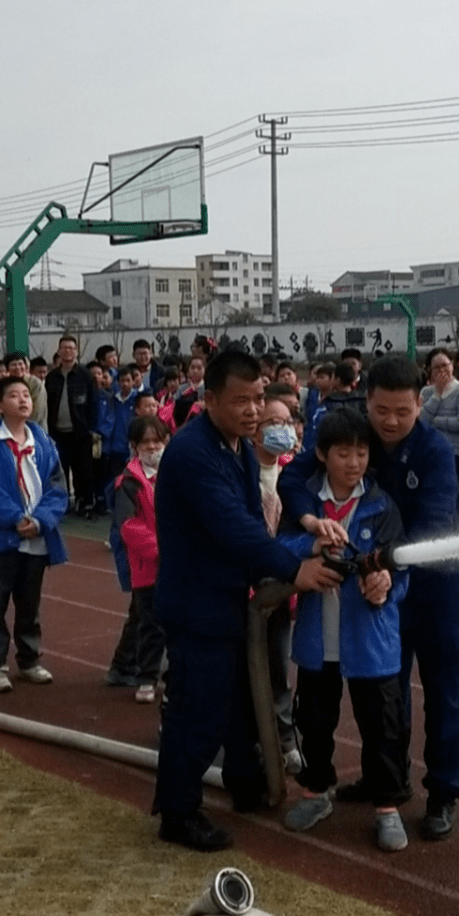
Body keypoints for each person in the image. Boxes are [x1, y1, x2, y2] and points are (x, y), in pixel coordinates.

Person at [152, 349, 342, 852]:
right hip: (197, 604)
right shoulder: (194, 451)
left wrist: (306, 541)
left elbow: (257, 524)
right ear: (209, 398)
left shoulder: (233, 445)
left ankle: (243, 783)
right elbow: (234, 529)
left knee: (239, 703)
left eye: (259, 398)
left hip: (227, 598)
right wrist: (293, 568)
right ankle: (178, 812)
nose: (253, 410)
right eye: (241, 401)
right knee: (198, 711)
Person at [280, 355, 459, 841]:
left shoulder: (434, 452)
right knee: (385, 697)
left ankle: (444, 792)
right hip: (372, 596)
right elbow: (292, 479)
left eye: (402, 412)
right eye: (381, 410)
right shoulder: (352, 437)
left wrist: (383, 566)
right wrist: (308, 523)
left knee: (443, 692)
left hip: (433, 589)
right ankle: (388, 782)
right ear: (367, 401)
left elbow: (435, 526)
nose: (390, 422)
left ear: (420, 404)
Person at [278, 408, 410, 850]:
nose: (353, 462)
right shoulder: (305, 506)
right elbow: (278, 549)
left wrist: (386, 583)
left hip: (372, 641)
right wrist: (310, 546)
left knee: (382, 727)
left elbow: (401, 564)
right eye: (343, 453)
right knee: (315, 723)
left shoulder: (381, 504)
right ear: (321, 454)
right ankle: (316, 793)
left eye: (361, 452)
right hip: (319, 641)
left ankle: (387, 806)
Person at [0, 376, 68, 693]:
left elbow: (57, 489)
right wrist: (15, 518)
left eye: (26, 394)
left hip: (36, 539)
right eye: (14, 395)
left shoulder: (44, 443)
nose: (23, 400)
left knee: (29, 604)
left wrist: (40, 521)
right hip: (1, 539)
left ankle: (29, 660)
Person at [253, 396, 302, 772]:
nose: (281, 430)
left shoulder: (295, 475)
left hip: (282, 588)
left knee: (277, 666)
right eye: (272, 422)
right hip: (244, 587)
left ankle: (284, 739)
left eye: (287, 422)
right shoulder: (238, 471)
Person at [113, 416, 169, 703]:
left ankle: (165, 674)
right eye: (145, 442)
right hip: (148, 567)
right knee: (150, 623)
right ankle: (146, 676)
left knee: (175, 621)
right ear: (134, 446)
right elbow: (128, 525)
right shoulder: (129, 483)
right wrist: (160, 550)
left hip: (178, 565)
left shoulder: (175, 475)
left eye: (157, 441)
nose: (152, 447)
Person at [45, 335, 97, 516]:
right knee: (60, 469)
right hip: (57, 432)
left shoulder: (85, 375)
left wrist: (91, 428)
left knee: (84, 470)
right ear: (58, 351)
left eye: (71, 348)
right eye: (64, 348)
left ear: (77, 351)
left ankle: (86, 503)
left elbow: (93, 403)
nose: (68, 351)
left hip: (81, 432)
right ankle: (62, 503)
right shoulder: (52, 377)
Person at [418, 348, 459, 502]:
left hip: (457, 452)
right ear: (430, 370)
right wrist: (437, 394)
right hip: (431, 452)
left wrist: (434, 421)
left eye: (445, 365)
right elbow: (421, 421)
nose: (442, 370)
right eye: (437, 367)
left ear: (452, 365)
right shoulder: (427, 392)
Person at [4, 350, 48, 432]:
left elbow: (37, 412)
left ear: (26, 366)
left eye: (20, 364)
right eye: (13, 365)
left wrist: (22, 429)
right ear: (7, 368)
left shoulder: (35, 383)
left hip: (35, 430)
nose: (17, 367)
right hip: (11, 430)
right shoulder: (6, 385)